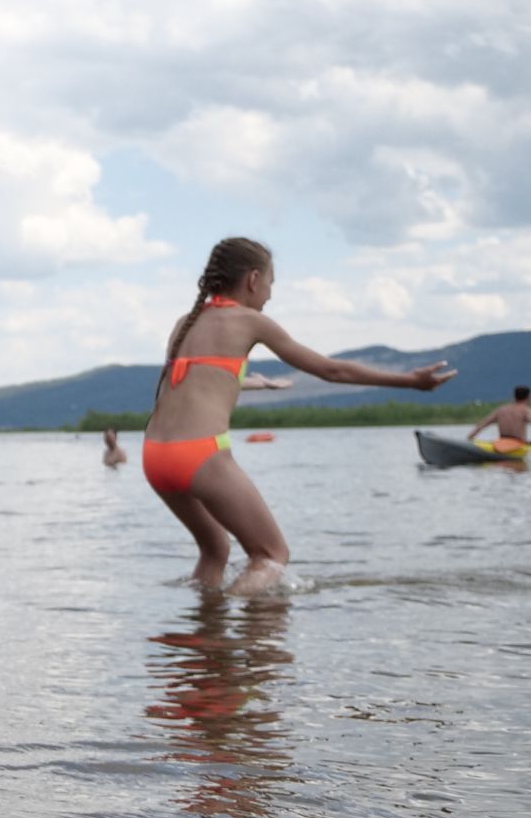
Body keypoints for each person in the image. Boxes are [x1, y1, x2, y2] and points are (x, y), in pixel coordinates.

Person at [144, 237, 455, 595]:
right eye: (271, 284)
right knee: (271, 555)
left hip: (155, 455)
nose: (270, 295)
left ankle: (204, 634)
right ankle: (246, 626)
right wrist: (409, 381)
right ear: (253, 279)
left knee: (216, 549)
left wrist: (254, 384)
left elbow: (190, 383)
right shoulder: (250, 321)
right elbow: (332, 371)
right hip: (198, 454)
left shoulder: (186, 322)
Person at [467, 386, 530, 456]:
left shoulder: (501, 410)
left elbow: (482, 424)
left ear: (514, 396)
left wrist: (469, 439)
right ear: (528, 397)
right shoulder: (526, 411)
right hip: (518, 444)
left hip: (500, 443)